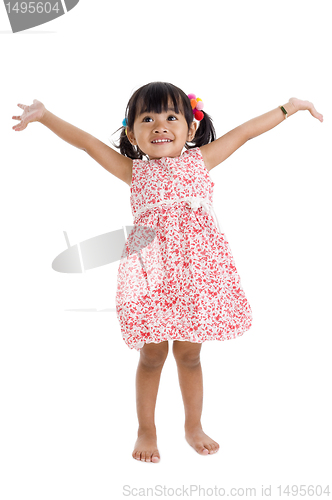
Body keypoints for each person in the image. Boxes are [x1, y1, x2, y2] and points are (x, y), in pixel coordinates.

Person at [12, 82, 323, 464]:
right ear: (131, 133)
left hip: (198, 275)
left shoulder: (201, 160)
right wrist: (44, 116)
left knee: (190, 356)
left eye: (171, 117)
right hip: (152, 276)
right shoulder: (135, 172)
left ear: (191, 129)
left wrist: (289, 107)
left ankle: (194, 425)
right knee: (152, 355)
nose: (160, 125)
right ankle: (146, 429)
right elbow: (88, 143)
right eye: (148, 118)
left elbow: (244, 132)